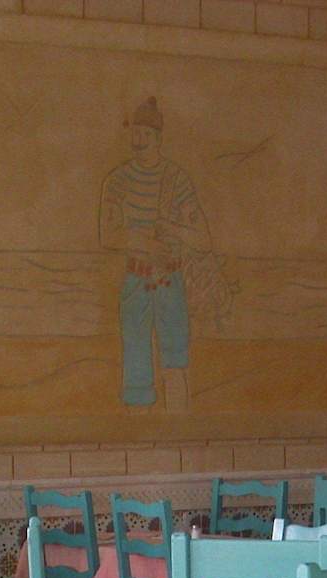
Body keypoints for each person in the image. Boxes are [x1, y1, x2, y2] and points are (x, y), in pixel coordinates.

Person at [97, 98, 212, 410]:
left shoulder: (176, 179)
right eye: (135, 133)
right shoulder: (117, 181)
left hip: (169, 281)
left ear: (158, 137)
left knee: (175, 361)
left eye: (145, 134)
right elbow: (108, 236)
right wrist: (144, 242)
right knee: (136, 373)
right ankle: (139, 433)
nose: (138, 140)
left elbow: (203, 240)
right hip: (136, 281)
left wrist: (172, 229)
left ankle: (179, 426)